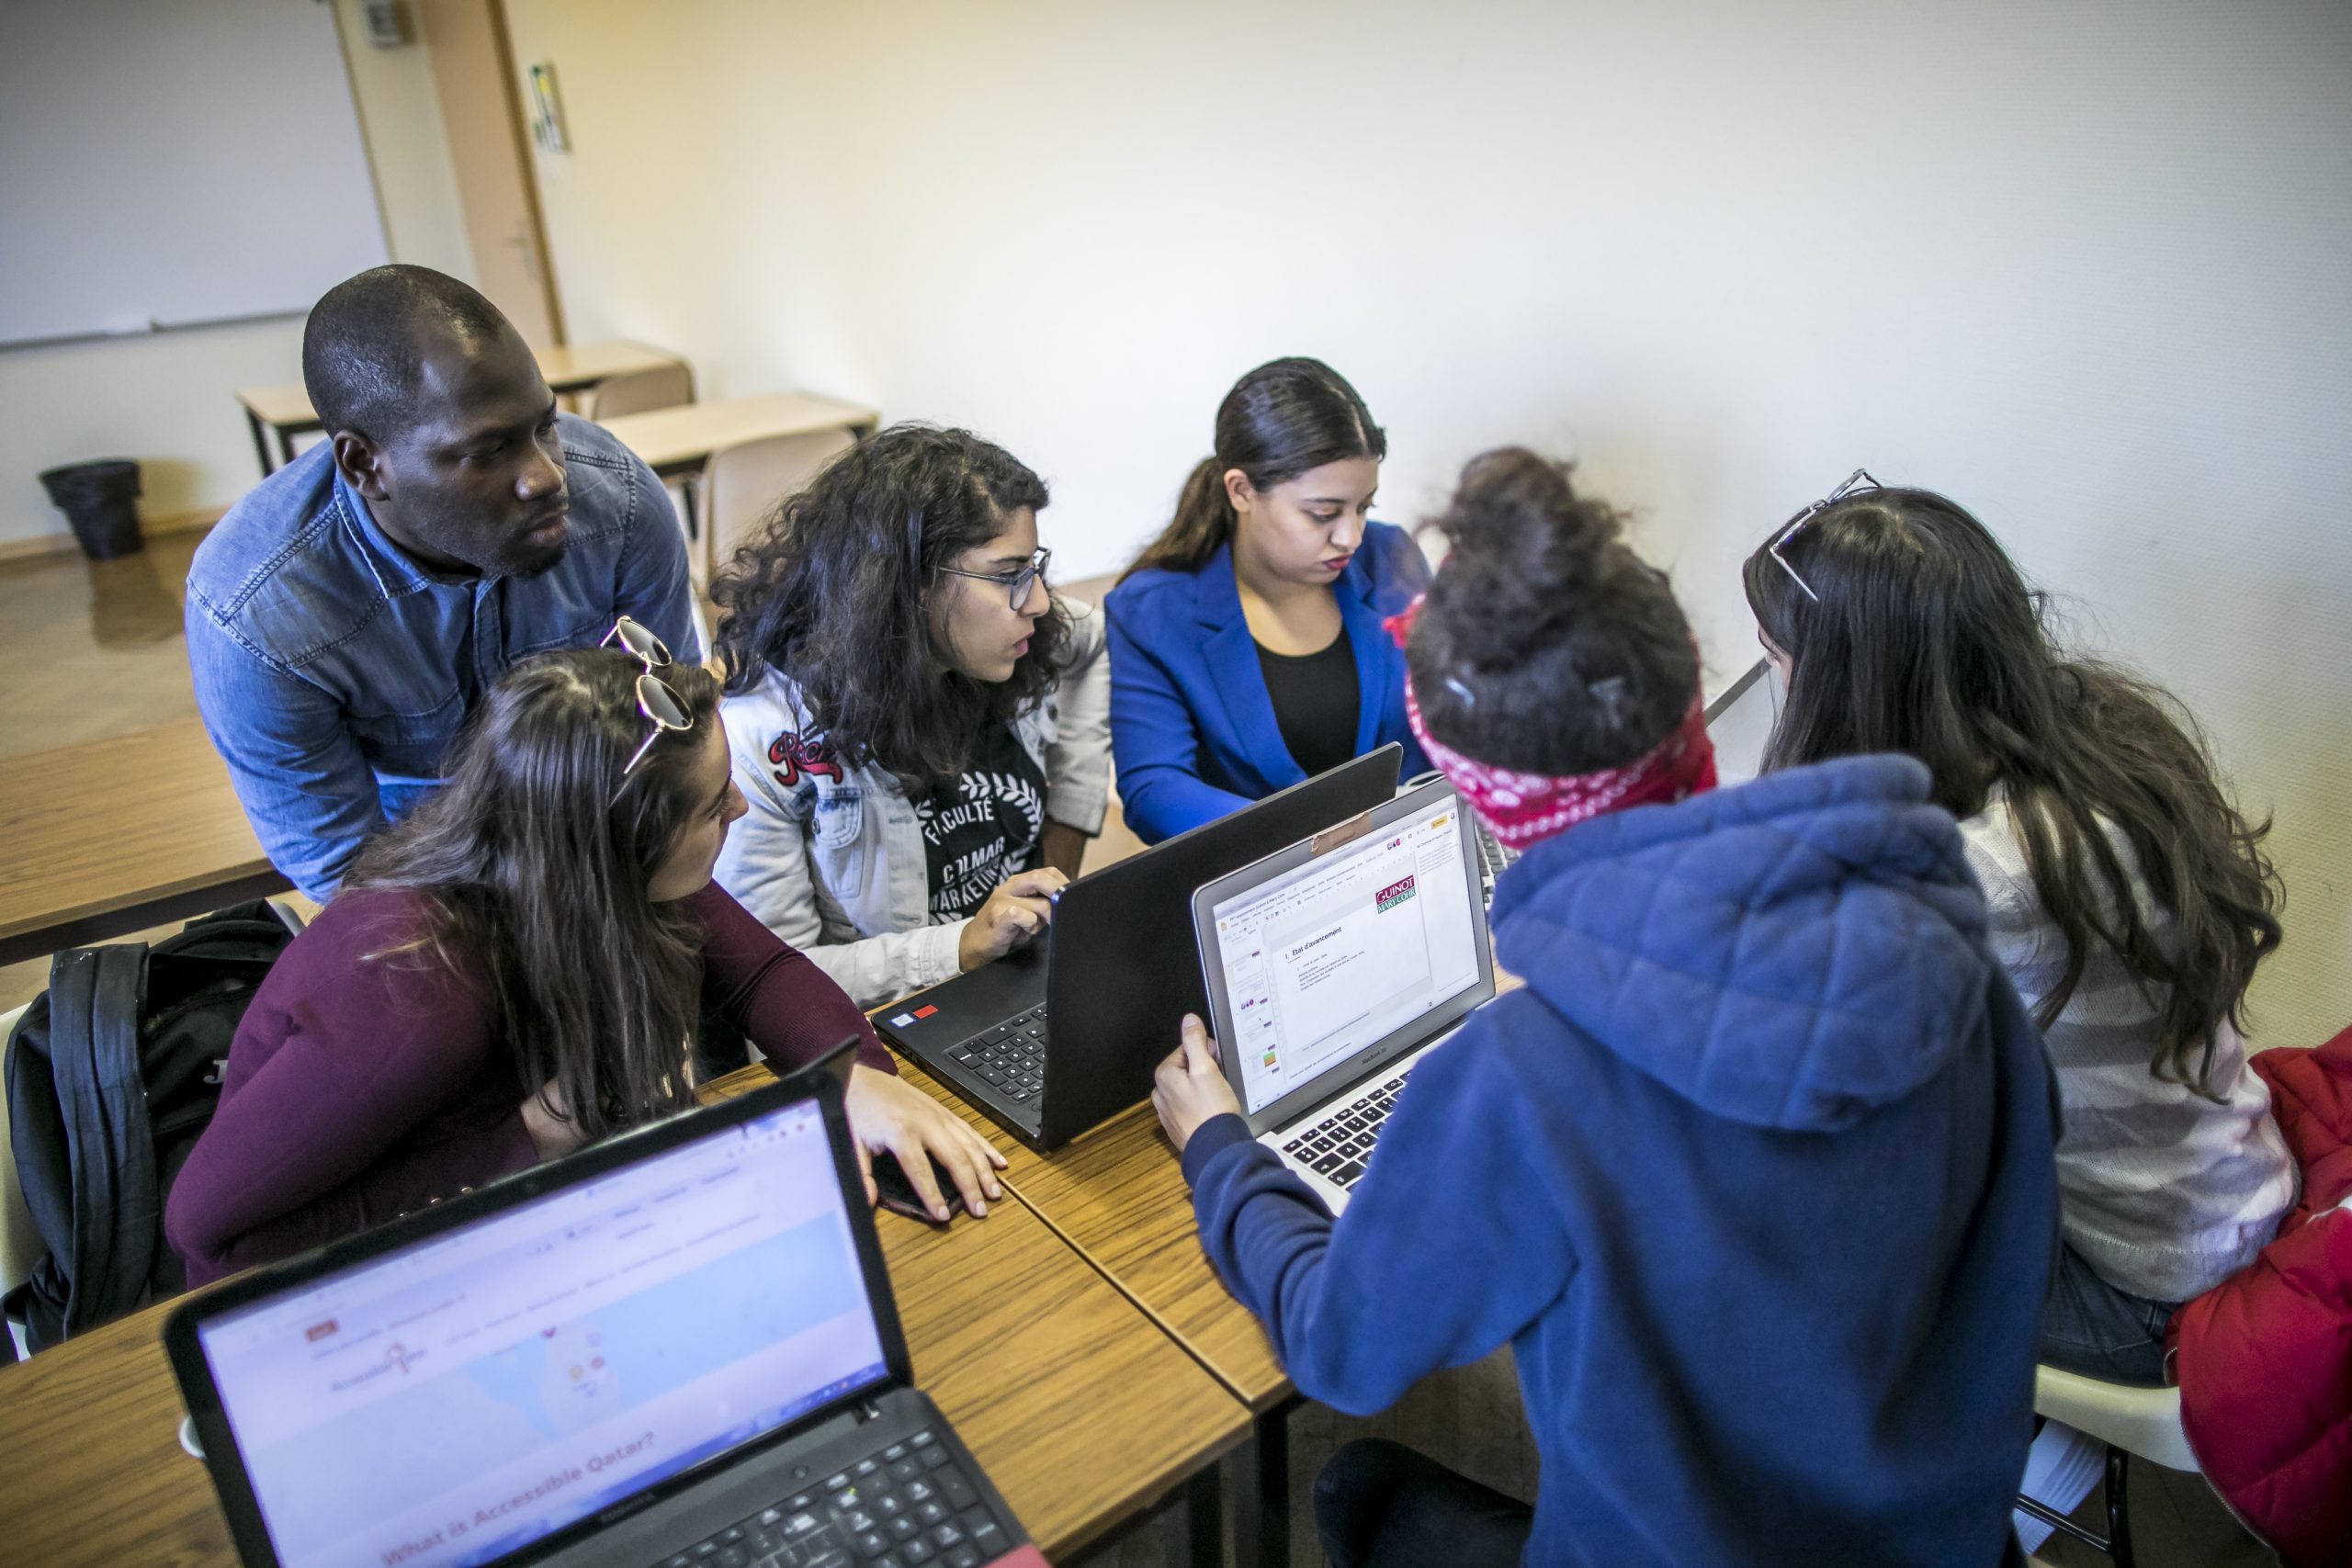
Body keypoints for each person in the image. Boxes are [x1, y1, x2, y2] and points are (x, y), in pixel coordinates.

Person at [1150, 450, 2058, 1568]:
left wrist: (1224, 1153)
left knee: (1357, 1487)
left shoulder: (1526, 1072)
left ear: (1481, 799)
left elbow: (1341, 1346)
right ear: (1691, 699)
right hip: (1952, 1547)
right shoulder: (1950, 944)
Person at [165, 636, 1001, 1285]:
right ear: (620, 844)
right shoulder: (418, 998)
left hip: (525, 1222)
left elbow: (760, 972)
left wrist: (852, 1074)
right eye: (713, 805)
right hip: (380, 1282)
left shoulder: (575, 865)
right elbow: (213, 1236)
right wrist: (526, 1138)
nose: (742, 806)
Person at [1744, 471, 2295, 1385]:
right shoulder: (2094, 729)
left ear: (1846, 682)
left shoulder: (1980, 872)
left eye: (1774, 656)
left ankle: (1988, 1457)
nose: (1774, 676)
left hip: (2142, 1285)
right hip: (2227, 1186)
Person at [186, 265, 697, 902]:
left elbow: (675, 733)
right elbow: (351, 872)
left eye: (545, 426)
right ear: (365, 465)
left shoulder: (619, 500)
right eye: (487, 451)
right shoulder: (258, 614)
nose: (546, 476)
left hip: (606, 821)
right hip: (423, 861)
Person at [709, 425, 1109, 1010]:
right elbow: (775, 981)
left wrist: (1063, 846)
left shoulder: (1013, 637)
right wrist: (959, 949)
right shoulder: (764, 738)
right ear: (911, 583)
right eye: (1008, 575)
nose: (1039, 601)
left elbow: (1090, 641)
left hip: (1017, 983)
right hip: (895, 1020)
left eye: (1034, 569)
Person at [1105, 357, 1428, 845]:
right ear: (1241, 491)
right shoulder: (1152, 612)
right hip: (1260, 875)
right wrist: (1305, 836)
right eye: (1323, 513)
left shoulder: (1391, 560)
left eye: (1364, 507)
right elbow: (1154, 788)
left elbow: (1453, 711)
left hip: (1416, 853)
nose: (1351, 537)